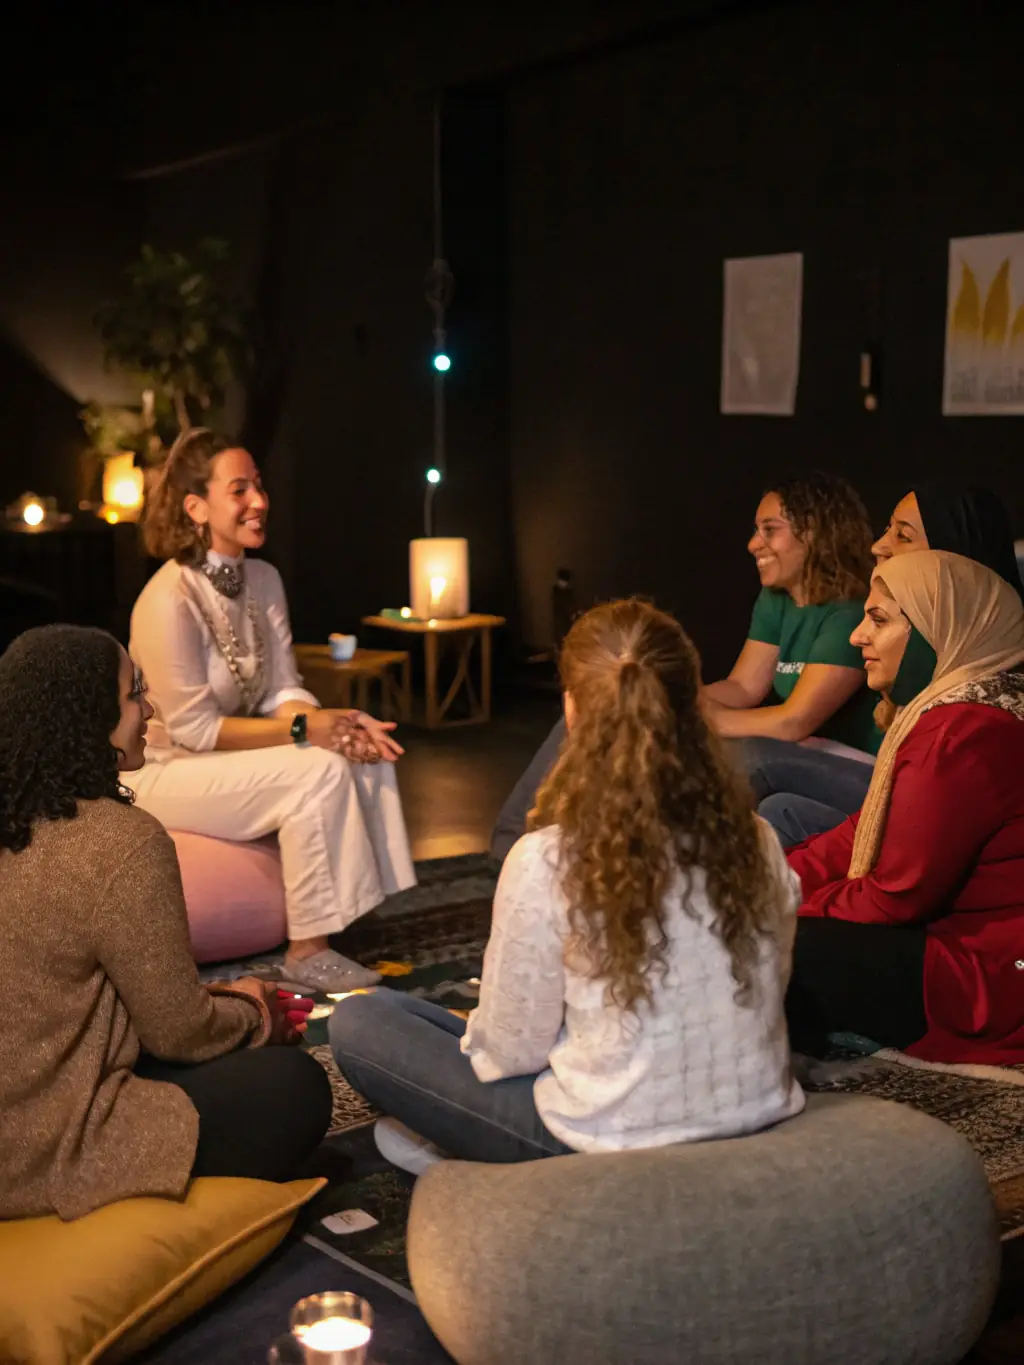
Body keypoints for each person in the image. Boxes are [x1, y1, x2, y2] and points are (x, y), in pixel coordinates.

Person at [331, 600, 804, 1174]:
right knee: (441, 1020)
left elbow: (512, 1054)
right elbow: (771, 983)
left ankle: (478, 1164)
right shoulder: (756, 839)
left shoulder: (545, 860)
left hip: (603, 1148)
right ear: (690, 706)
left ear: (571, 711)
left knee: (362, 1022)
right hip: (756, 1113)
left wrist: (492, 1030)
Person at [0, 625, 332, 1221]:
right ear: (87, 714)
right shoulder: (121, 842)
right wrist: (258, 1012)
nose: (149, 709)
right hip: (45, 1151)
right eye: (134, 694)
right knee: (293, 1085)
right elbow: (180, 1033)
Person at [129, 428, 416, 993]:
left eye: (258, 486)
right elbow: (193, 729)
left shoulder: (264, 579)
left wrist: (337, 726)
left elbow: (283, 687)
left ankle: (348, 914)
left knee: (360, 750)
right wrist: (311, 732)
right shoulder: (169, 598)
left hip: (217, 755)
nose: (259, 501)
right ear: (196, 507)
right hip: (165, 770)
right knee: (318, 771)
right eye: (239, 490)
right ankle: (308, 952)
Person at [491, 472, 878, 863]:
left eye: (769, 530)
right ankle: (514, 848)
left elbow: (794, 722)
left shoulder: (848, 612)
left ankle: (646, 868)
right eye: (756, 529)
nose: (753, 543)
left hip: (846, 762)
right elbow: (743, 687)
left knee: (742, 760)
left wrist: (684, 713)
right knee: (600, 710)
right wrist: (647, 697)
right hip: (793, 743)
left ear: (813, 532)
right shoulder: (778, 598)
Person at [784, 551, 1024, 1065]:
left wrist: (767, 913)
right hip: (968, 951)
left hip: (989, 978)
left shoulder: (963, 733)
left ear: (940, 631)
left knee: (776, 950)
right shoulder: (965, 709)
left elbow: (895, 898)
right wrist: (762, 881)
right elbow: (863, 832)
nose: (856, 636)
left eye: (878, 620)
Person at [762, 480, 1023, 845]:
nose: (878, 545)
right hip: (892, 784)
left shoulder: (965, 722)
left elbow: (899, 890)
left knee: (764, 771)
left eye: (903, 535)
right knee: (777, 798)